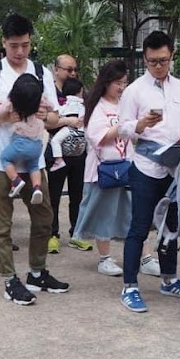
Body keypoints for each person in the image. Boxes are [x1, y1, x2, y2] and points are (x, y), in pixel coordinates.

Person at [0, 13, 70, 305]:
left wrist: (45, 115)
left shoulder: (41, 73)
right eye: (14, 45)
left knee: (44, 217)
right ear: (3, 42)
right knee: (2, 223)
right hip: (0, 161)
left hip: (33, 161)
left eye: (25, 45)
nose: (19, 51)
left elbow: (54, 118)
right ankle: (9, 279)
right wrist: (7, 117)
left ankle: (37, 272)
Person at [117, 31, 180, 313]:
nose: (158, 66)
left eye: (163, 60)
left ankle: (169, 279)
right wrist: (141, 124)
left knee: (172, 226)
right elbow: (122, 127)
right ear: (144, 59)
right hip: (145, 165)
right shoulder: (134, 91)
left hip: (176, 167)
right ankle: (130, 286)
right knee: (139, 227)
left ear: (171, 56)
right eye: (152, 61)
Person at [73, 60, 131, 277]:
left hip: (127, 165)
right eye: (118, 83)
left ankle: (143, 256)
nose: (121, 87)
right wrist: (125, 126)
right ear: (106, 83)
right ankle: (105, 258)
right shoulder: (97, 107)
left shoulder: (126, 104)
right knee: (102, 214)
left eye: (124, 83)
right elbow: (99, 136)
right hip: (103, 170)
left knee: (132, 212)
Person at [46, 54, 92, 256]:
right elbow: (45, 122)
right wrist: (67, 121)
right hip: (57, 152)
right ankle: (52, 234)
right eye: (68, 69)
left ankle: (77, 232)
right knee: (53, 195)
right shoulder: (48, 93)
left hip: (79, 152)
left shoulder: (81, 92)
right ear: (56, 70)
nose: (72, 73)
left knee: (77, 194)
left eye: (75, 69)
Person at [0, 74, 50, 202]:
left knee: (5, 158)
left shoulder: (12, 103)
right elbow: (51, 105)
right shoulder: (40, 101)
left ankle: (16, 180)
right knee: (34, 166)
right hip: (37, 144)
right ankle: (37, 188)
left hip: (20, 142)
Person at [49, 77, 85, 172]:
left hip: (69, 130)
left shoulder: (66, 104)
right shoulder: (82, 105)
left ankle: (58, 160)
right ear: (79, 92)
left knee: (55, 141)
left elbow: (58, 114)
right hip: (82, 132)